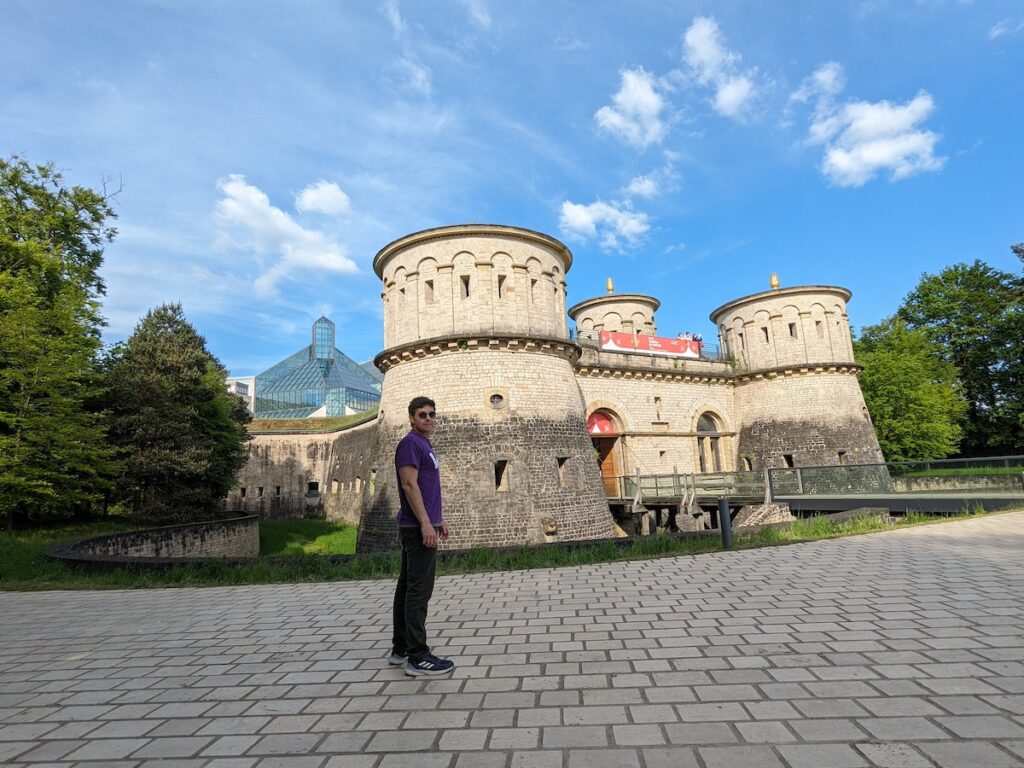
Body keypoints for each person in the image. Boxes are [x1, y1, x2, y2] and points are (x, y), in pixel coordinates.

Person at [389, 396, 455, 677]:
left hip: (423, 524)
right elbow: (409, 485)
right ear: (411, 419)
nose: (428, 418)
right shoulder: (410, 444)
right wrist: (426, 525)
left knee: (407, 588)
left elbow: (428, 489)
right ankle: (418, 656)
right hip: (416, 528)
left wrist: (439, 521)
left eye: (431, 414)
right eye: (422, 415)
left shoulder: (425, 445)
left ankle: (401, 648)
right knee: (419, 591)